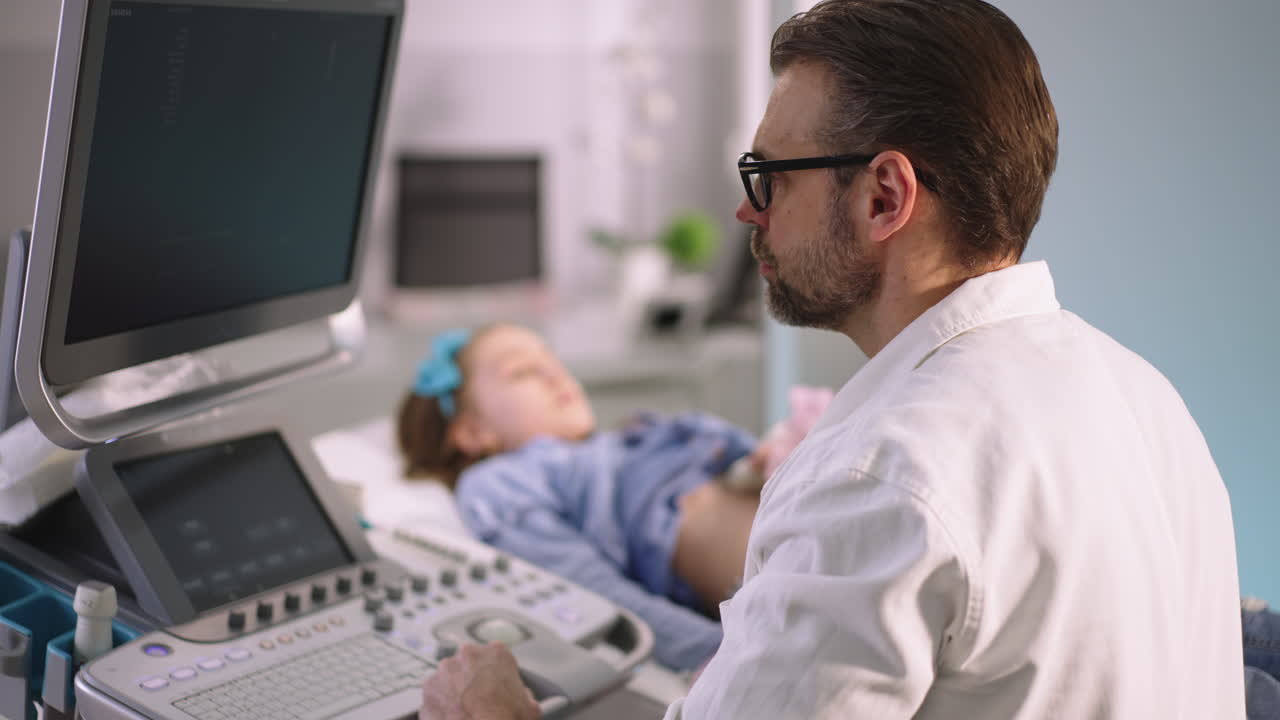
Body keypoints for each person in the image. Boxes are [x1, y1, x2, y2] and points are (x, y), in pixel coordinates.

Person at [421, 0, 1245, 717]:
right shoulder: (1145, 396)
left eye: (770, 175)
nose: (748, 211)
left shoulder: (881, 479)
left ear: (885, 197)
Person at [397, 323, 798, 671]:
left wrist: (754, 459)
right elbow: (591, 590)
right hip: (753, 543)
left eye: (551, 360)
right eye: (521, 372)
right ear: (471, 432)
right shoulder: (499, 481)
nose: (554, 374)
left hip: (791, 492)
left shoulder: (621, 439)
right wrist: (719, 654)